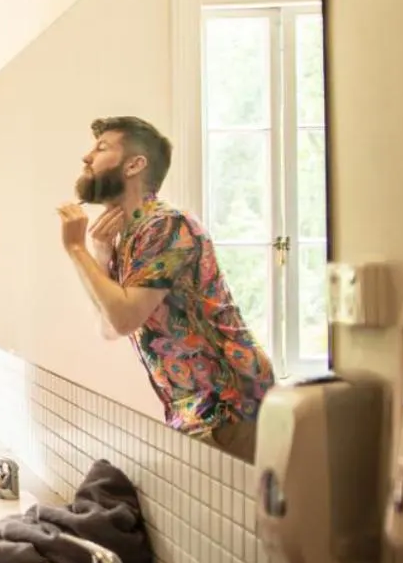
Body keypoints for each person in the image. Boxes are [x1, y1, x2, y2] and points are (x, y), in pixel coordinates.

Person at [57, 115, 274, 459]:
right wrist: (100, 254)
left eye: (101, 148)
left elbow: (124, 319)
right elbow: (110, 328)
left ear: (134, 165)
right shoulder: (129, 237)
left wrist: (76, 249)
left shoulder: (168, 225)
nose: (87, 157)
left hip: (230, 407)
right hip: (196, 411)